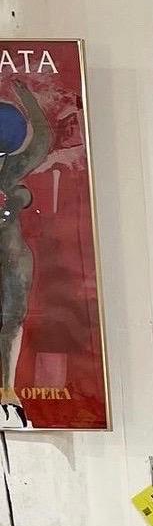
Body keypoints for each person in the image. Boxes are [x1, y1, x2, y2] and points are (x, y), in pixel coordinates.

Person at [0, 82, 53, 427]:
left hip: (13, 256)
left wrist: (27, 96)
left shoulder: (12, 167)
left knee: (12, 318)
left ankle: (7, 391)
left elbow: (43, 140)